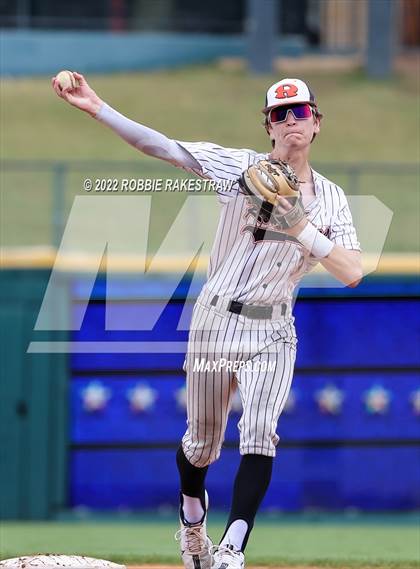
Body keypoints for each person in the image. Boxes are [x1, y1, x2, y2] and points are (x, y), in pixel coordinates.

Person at [52, 73, 362, 569]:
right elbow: (164, 148)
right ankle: (192, 517)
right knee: (201, 445)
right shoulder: (240, 168)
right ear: (268, 127)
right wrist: (97, 107)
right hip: (217, 320)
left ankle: (233, 546)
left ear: (317, 123)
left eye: (300, 111)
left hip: (275, 330)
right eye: (279, 114)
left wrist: (299, 225)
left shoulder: (333, 200)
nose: (291, 121)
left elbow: (352, 271)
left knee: (261, 430)